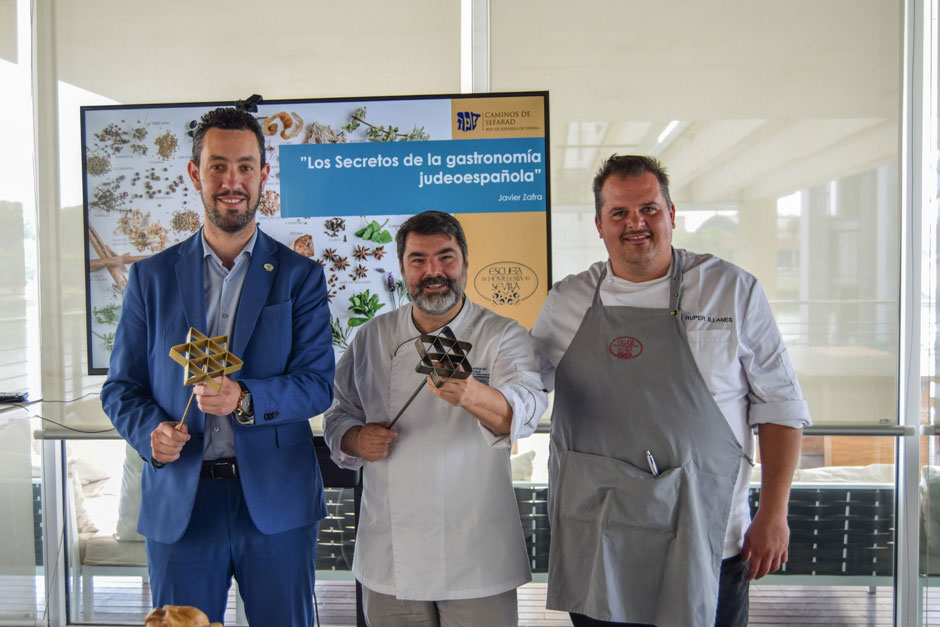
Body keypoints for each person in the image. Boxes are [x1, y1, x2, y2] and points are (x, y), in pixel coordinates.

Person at [531, 155, 811, 627]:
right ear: (599, 225)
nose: (635, 223)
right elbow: (526, 392)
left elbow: (779, 405)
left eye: (649, 209)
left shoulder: (731, 290)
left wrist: (773, 513)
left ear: (672, 215)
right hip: (600, 535)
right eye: (619, 213)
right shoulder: (567, 300)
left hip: (709, 534)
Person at [100, 107, 334, 627]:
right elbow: (121, 388)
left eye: (246, 167)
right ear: (194, 173)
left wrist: (245, 398)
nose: (233, 181)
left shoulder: (301, 278)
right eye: (218, 166)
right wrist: (149, 432)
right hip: (182, 505)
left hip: (276, 506)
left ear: (264, 174)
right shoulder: (150, 279)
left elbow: (318, 386)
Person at [323, 210, 548, 627]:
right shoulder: (372, 335)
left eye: (445, 257)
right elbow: (340, 414)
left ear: (465, 261)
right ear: (402, 267)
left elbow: (529, 407)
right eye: (418, 260)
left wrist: (473, 394)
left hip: (475, 551)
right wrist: (356, 439)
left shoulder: (500, 333)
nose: (433, 271)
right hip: (392, 552)